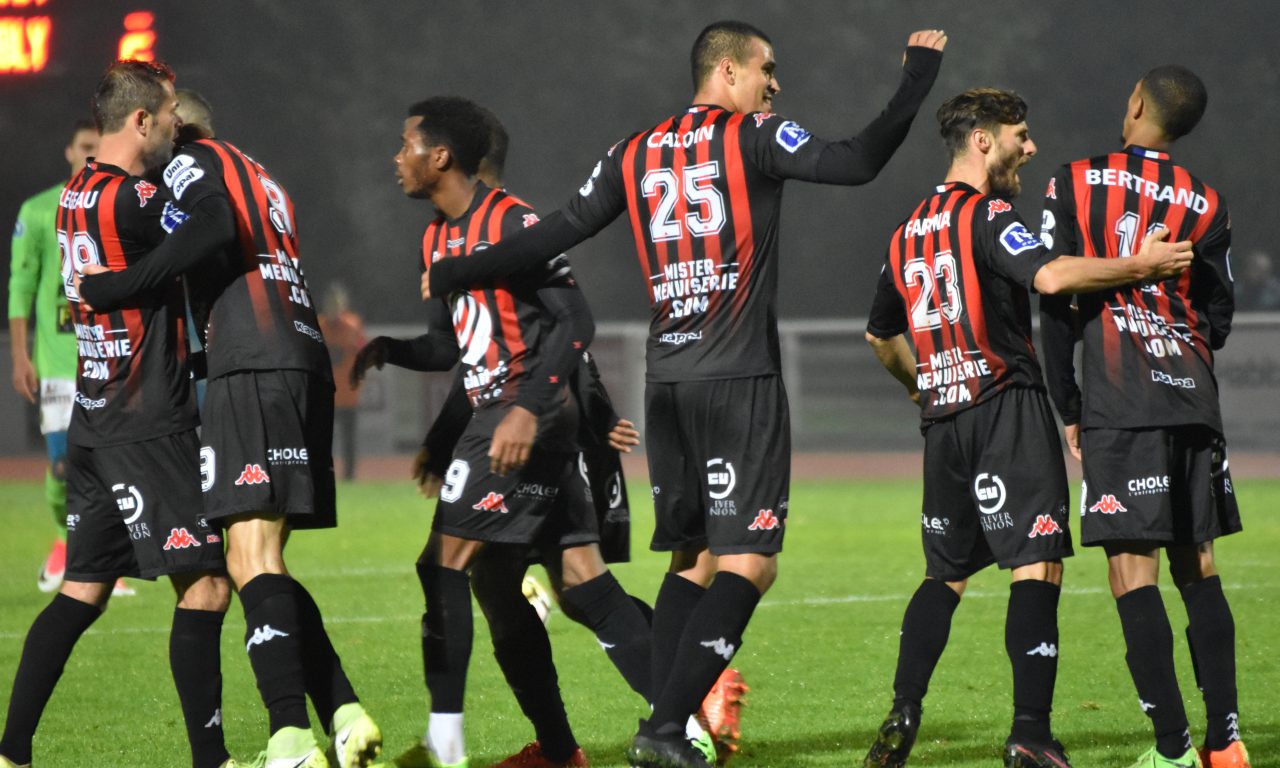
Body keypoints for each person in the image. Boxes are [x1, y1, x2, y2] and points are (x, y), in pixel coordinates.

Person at [422, 22, 948, 768]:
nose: (774, 84)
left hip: (667, 384)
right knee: (750, 563)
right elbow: (857, 161)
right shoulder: (754, 135)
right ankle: (666, 728)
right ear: (726, 71)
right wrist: (917, 77)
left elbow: (556, 232)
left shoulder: (632, 151)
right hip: (738, 380)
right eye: (766, 69)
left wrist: (458, 270)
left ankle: (671, 728)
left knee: (691, 561)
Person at [862, 87, 1194, 768]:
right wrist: (1143, 265)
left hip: (943, 422)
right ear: (983, 140)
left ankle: (904, 708)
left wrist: (920, 385)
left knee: (944, 575)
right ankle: (1030, 733)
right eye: (1020, 135)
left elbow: (879, 334)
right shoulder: (989, 215)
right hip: (1004, 407)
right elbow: (1051, 277)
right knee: (1036, 564)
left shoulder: (906, 230)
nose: (1031, 147)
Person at [77, 89, 382, 768]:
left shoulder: (189, 160)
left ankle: (290, 738)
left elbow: (212, 227)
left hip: (255, 364)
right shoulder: (259, 172)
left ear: (175, 126)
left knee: (249, 559)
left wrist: (119, 286)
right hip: (298, 359)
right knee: (263, 560)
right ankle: (343, 711)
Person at [357, 94, 659, 768]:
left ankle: (445, 744)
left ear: (440, 156)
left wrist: (529, 408)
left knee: (443, 564)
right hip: (502, 416)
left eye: (406, 144)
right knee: (560, 583)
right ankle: (591, 741)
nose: (396, 157)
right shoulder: (435, 239)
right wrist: (390, 350)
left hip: (522, 418)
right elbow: (452, 349)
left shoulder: (512, 222)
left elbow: (575, 322)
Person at [0, 60, 235, 768]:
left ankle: (11, 753)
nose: (174, 128)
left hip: (93, 418)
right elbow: (215, 227)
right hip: (146, 419)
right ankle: (213, 760)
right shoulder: (134, 197)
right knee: (207, 585)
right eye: (167, 118)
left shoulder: (74, 194)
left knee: (82, 589)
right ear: (140, 121)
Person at [1039, 66, 1249, 768]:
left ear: (1135, 103)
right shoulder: (1207, 201)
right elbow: (1220, 312)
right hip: (1192, 395)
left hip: (1121, 400)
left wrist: (1068, 402)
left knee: (1133, 573)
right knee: (1200, 567)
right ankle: (1227, 743)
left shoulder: (1075, 180)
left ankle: (1172, 751)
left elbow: (1055, 297)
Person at [8, 120, 137, 597]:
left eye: (98, 148)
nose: (90, 155)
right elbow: (21, 285)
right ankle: (66, 543)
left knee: (110, 464)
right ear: (69, 151)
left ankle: (98, 559)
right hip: (60, 364)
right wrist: (20, 355)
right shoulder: (39, 209)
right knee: (65, 464)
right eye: (84, 147)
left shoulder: (117, 204)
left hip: (108, 357)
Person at [318, 282, 366, 481]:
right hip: (326, 392)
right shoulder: (319, 325)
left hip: (347, 392)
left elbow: (363, 351)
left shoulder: (352, 325)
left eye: (337, 302)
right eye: (330, 303)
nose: (333, 307)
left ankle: (349, 475)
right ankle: (321, 471)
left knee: (348, 437)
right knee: (322, 436)